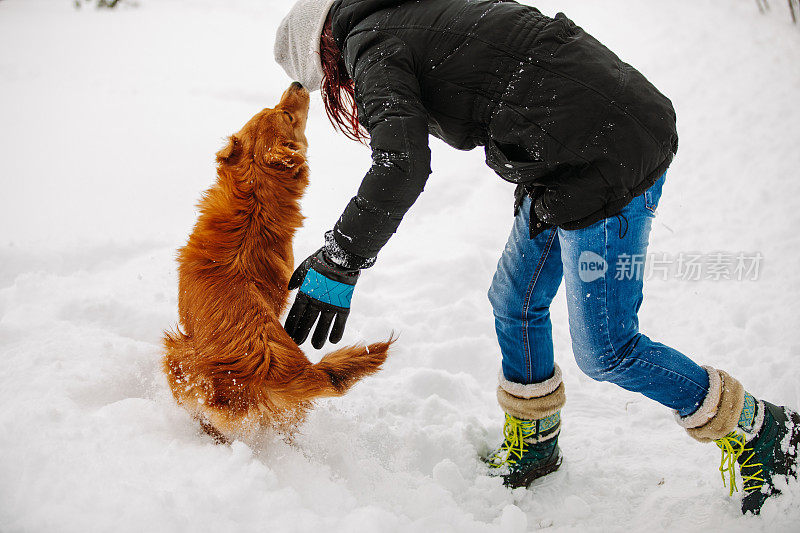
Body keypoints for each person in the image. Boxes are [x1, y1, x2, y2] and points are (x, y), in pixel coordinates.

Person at [273, 0, 799, 514]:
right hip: (565, 154)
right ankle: (537, 441)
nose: (340, 91)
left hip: (604, 159)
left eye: (329, 81)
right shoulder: (402, 16)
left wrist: (340, 259)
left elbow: (401, 164)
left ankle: (760, 429)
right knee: (513, 299)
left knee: (607, 350)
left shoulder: (373, 46)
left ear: (325, 52)